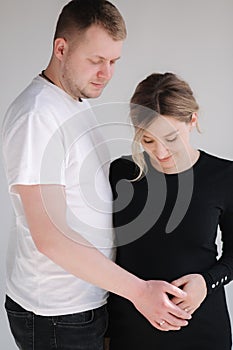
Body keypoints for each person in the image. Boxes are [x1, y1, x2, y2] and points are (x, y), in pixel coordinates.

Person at [1, 2, 191, 349]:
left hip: (88, 302)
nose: (106, 73)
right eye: (95, 60)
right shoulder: (37, 116)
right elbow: (51, 237)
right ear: (61, 49)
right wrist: (139, 292)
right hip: (57, 315)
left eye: (113, 61)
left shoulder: (74, 102)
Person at [107, 72, 233, 350]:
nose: (160, 152)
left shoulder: (224, 176)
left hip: (202, 330)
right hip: (130, 330)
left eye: (171, 138)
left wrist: (207, 282)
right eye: (148, 141)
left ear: (193, 121)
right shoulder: (121, 173)